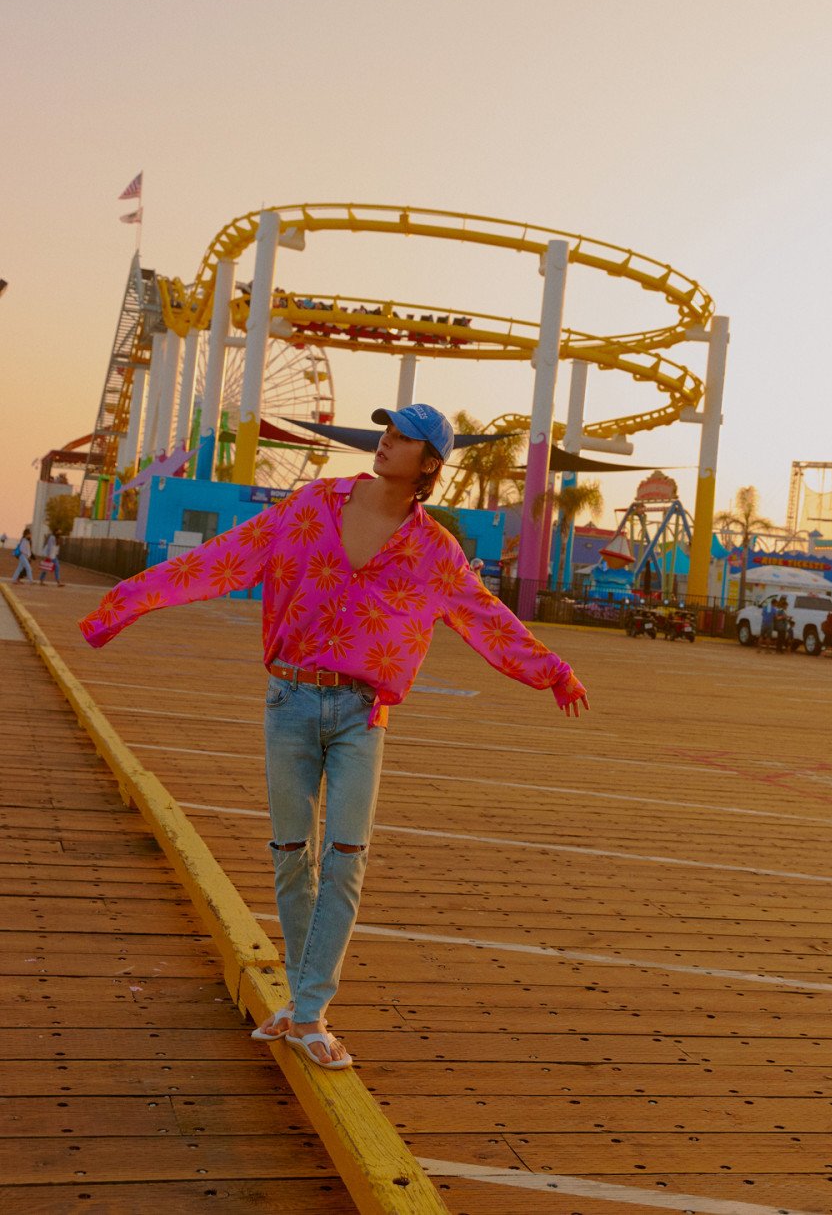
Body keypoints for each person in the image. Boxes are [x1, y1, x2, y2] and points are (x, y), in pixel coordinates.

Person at [80, 402, 588, 1070]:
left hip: (361, 715)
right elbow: (226, 557)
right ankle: (299, 1003)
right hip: (288, 700)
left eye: (404, 438)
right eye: (388, 429)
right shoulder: (314, 503)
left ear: (430, 463)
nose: (386, 441)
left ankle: (311, 1012)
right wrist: (130, 600)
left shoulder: (434, 550)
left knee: (346, 859)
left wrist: (552, 672)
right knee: (292, 855)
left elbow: (483, 617)